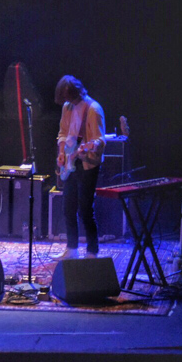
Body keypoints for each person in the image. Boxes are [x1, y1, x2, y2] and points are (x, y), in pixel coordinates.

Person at [53, 75, 106, 260]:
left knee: (85, 210)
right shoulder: (67, 107)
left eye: (70, 98)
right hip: (71, 163)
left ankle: (92, 251)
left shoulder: (93, 109)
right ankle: (72, 249)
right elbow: (63, 132)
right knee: (68, 208)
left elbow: (100, 140)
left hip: (87, 164)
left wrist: (87, 149)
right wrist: (62, 152)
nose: (67, 102)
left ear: (77, 92)